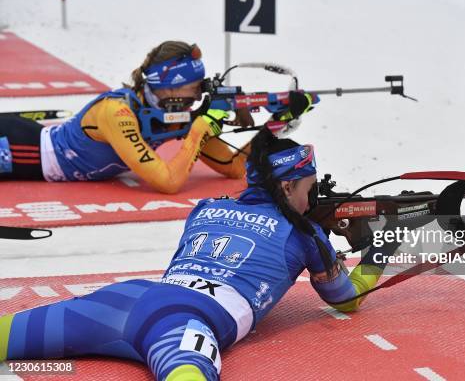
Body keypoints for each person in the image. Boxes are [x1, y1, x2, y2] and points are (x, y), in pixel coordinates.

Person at [0, 127, 382, 381]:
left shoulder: (206, 206)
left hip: (124, 298)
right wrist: (380, 251)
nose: (313, 198)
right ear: (286, 187)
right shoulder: (304, 234)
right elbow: (348, 299)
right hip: (181, 320)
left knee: (7, 334)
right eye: (310, 189)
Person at [0, 40, 314, 194]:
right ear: (168, 87)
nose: (197, 97)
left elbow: (233, 169)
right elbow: (169, 182)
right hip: (22, 149)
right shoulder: (118, 113)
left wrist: (275, 124)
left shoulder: (171, 115)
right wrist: (198, 130)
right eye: (194, 88)